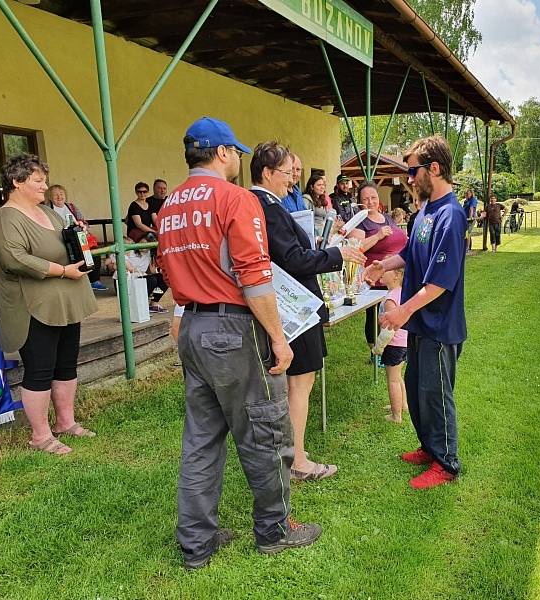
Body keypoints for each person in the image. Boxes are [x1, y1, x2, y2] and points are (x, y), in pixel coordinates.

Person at [156, 117, 322, 566]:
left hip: (192, 326)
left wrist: (180, 320)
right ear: (224, 153)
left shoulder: (169, 204)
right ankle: (273, 530)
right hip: (233, 330)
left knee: (201, 440)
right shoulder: (236, 199)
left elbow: (169, 275)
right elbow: (255, 277)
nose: (238, 160)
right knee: (266, 431)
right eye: (237, 153)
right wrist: (278, 338)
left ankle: (196, 542)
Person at [250, 141, 365, 482]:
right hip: (293, 309)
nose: (293, 180)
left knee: (297, 383)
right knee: (300, 383)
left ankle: (293, 449)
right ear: (268, 173)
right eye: (288, 173)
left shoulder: (266, 204)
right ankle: (297, 461)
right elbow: (293, 259)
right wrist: (336, 255)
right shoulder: (267, 207)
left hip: (288, 306)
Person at [363, 135, 467, 490]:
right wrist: (381, 265)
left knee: (436, 393)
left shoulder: (451, 216)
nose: (408, 178)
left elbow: (439, 283)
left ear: (433, 169)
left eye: (412, 171)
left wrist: (402, 312)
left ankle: (447, 462)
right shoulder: (424, 211)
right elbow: (410, 254)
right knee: (416, 386)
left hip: (439, 325)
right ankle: (429, 447)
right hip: (422, 323)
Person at [0, 154, 97, 456]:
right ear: (17, 181)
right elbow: (15, 259)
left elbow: (64, 242)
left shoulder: (48, 212)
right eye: (38, 181)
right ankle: (40, 435)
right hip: (32, 306)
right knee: (39, 370)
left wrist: (77, 233)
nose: (45, 186)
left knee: (65, 365)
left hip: (65, 301)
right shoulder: (5, 218)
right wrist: (62, 270)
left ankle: (66, 422)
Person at [351, 182, 407, 359]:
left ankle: (396, 345)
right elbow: (356, 248)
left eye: (373, 197)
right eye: (365, 199)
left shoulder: (386, 217)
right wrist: (377, 236)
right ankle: (376, 352)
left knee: (395, 309)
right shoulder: (359, 222)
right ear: (359, 202)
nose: (370, 202)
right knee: (376, 314)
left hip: (396, 275)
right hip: (377, 276)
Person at [45, 184, 107, 291]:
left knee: (94, 252)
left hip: (78, 235)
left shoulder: (71, 207)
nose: (59, 197)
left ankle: (94, 280)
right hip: (59, 238)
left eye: (61, 194)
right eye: (56, 195)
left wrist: (83, 227)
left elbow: (83, 221)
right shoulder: (48, 209)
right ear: (50, 197)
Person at [374, 264, 407, 423]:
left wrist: (378, 347)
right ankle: (403, 405)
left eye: (385, 270)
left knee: (392, 379)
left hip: (393, 344)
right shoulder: (401, 293)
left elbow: (388, 330)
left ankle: (396, 415)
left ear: (396, 275)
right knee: (398, 376)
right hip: (404, 342)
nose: (381, 271)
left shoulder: (390, 299)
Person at [104, 236, 168, 313]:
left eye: (145, 244)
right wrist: (127, 267)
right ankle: (142, 305)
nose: (142, 245)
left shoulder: (149, 254)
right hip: (126, 279)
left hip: (139, 277)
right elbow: (112, 265)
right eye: (141, 243)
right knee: (151, 280)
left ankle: (153, 303)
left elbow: (153, 271)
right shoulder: (130, 250)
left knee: (164, 278)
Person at [302, 174, 329, 238]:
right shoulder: (306, 199)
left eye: (323, 185)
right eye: (319, 185)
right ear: (311, 187)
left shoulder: (321, 199)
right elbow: (305, 221)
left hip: (322, 235)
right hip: (314, 237)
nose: (322, 187)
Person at [463, 188, 478, 253]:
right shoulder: (466, 201)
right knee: (465, 233)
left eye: (468, 193)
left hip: (470, 219)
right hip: (465, 219)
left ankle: (467, 248)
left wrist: (471, 216)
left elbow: (471, 208)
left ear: (471, 194)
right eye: (466, 194)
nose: (467, 195)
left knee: (468, 233)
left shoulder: (473, 200)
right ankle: (467, 246)